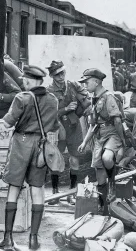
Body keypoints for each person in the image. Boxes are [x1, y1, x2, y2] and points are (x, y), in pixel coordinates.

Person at [0, 65, 59, 250]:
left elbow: (7, 123)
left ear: (27, 80)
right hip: (40, 147)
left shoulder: (22, 98)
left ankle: (8, 239)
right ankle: (33, 239)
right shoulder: (53, 99)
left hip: (21, 144)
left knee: (14, 187)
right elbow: (54, 125)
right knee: (37, 189)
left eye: (24, 79)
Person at [77, 69, 125, 215]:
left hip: (113, 133)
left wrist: (122, 141)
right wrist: (85, 142)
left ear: (96, 82)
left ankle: (112, 181)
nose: (84, 85)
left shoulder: (108, 97)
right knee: (99, 172)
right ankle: (103, 207)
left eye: (87, 82)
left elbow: (117, 120)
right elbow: (93, 124)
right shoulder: (95, 98)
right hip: (100, 135)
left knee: (107, 158)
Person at [46, 60, 89, 205]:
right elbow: (49, 114)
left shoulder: (73, 85)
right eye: (57, 74)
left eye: (62, 73)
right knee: (55, 161)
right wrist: (66, 109)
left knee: (74, 159)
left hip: (73, 127)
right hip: (57, 128)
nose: (61, 76)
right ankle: (55, 193)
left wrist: (82, 101)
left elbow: (86, 98)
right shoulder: (49, 91)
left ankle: (72, 192)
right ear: (52, 76)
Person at [113, 92, 136, 167]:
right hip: (117, 131)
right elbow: (133, 137)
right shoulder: (121, 115)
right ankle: (116, 166)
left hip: (124, 128)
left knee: (129, 148)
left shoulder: (125, 113)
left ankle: (118, 165)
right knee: (123, 149)